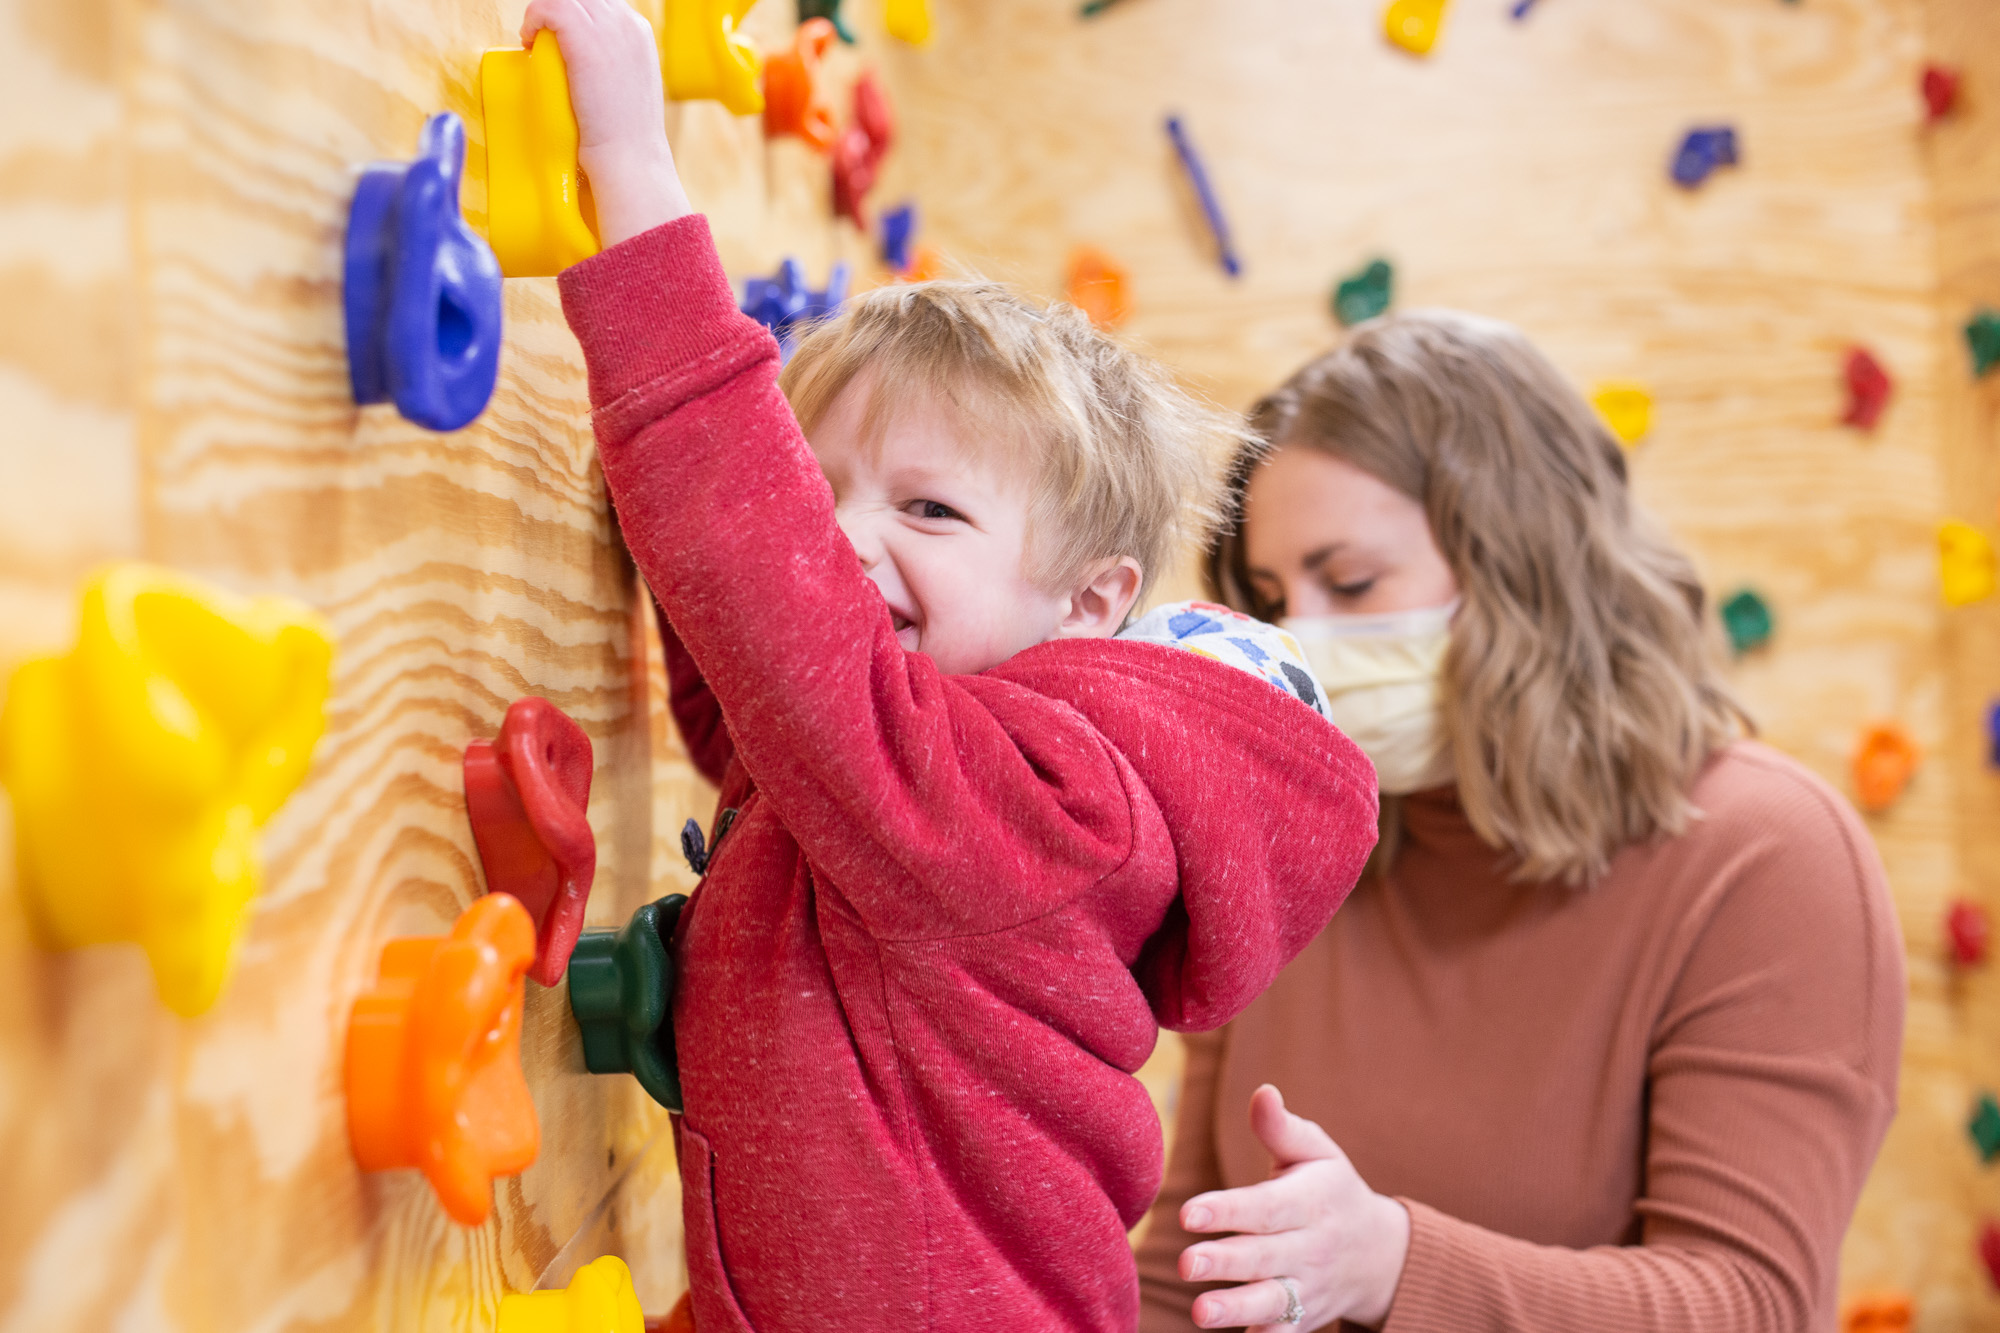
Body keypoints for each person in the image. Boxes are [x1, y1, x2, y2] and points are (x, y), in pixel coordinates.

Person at [521, 2, 1381, 1329]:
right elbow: (752, 699)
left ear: (1088, 606)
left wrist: (632, 165)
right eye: (819, 493)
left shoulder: (1032, 807)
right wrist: (671, 514)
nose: (843, 541)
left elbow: (775, 617)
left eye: (929, 511)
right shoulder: (902, 777)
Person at [1135, 310, 1906, 1332]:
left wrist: (1389, 1264)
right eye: (1273, 598)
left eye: (1352, 581)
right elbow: (1186, 1271)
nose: (1301, 640)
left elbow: (1747, 1299)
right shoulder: (1283, 860)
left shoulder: (1765, 855)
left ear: (1523, 567)